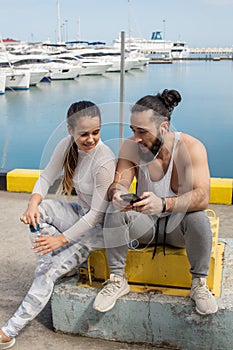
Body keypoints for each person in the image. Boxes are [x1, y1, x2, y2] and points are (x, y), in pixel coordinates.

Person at [0, 100, 116, 349]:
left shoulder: (104, 160)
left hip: (101, 229)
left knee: (48, 270)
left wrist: (60, 240)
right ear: (70, 130)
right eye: (83, 133)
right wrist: (32, 204)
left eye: (96, 132)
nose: (91, 139)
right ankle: (55, 262)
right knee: (40, 212)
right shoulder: (66, 146)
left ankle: (10, 330)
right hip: (80, 215)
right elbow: (45, 177)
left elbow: (96, 215)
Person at [93, 89, 218, 316]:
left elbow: (202, 197)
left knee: (199, 217)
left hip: (178, 228)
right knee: (114, 210)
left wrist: (163, 204)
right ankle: (117, 279)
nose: (136, 137)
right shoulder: (132, 147)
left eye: (143, 131)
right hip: (146, 228)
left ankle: (199, 284)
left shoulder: (191, 147)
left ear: (164, 128)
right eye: (133, 130)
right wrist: (117, 193)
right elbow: (117, 183)